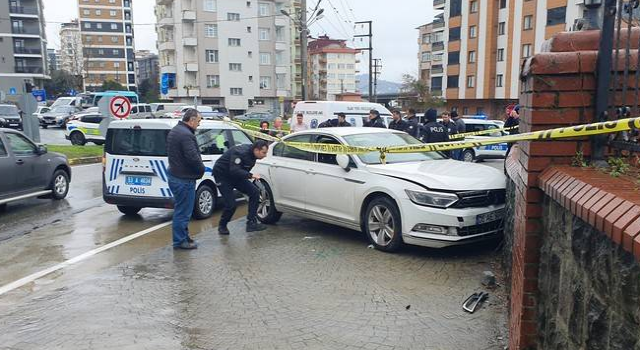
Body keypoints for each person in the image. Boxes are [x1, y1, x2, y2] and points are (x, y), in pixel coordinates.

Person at [166, 108, 205, 250]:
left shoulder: (176, 130)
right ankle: (180, 241)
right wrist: (201, 170)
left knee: (182, 210)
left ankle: (184, 237)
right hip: (183, 179)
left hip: (176, 175)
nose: (199, 125)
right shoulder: (186, 135)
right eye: (198, 121)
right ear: (192, 120)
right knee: (183, 212)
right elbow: (192, 157)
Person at [213, 140, 270, 235]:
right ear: (256, 150)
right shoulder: (240, 152)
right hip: (223, 176)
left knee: (254, 192)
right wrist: (250, 175)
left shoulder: (253, 155)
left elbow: (240, 171)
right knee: (231, 204)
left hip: (236, 176)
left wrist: (248, 176)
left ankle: (251, 223)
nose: (265, 155)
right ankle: (222, 226)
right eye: (263, 153)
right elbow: (234, 170)